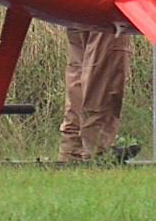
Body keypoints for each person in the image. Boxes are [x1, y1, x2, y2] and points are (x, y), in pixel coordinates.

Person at [57, 26, 136, 164]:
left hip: (70, 7)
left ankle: (72, 149)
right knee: (106, 59)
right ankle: (98, 148)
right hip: (104, 7)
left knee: (79, 66)